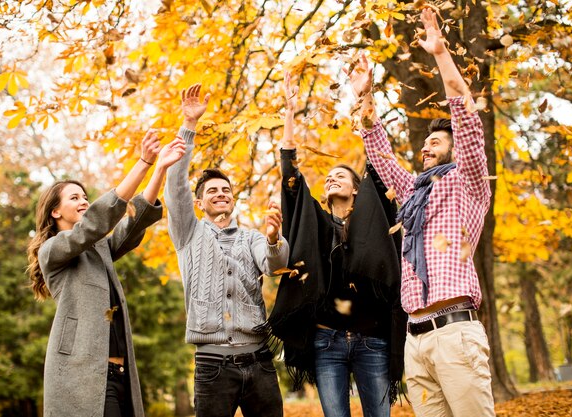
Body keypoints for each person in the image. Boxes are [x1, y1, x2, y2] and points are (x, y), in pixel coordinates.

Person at [351, 8, 495, 417]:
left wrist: (440, 53)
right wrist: (365, 96)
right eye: (425, 142)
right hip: (415, 341)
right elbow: (379, 154)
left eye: (436, 141)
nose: (426, 147)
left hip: (455, 335)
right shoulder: (414, 193)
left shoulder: (469, 181)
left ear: (453, 147)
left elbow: (465, 116)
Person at [265, 71, 406, 417]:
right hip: (326, 341)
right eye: (328, 177)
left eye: (340, 175)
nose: (331, 178)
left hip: (373, 339)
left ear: (357, 188)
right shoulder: (318, 224)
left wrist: (365, 98)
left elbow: (379, 162)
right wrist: (289, 109)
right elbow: (290, 177)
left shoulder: (375, 217)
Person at [27, 130, 186, 417]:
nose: (84, 201)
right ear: (55, 212)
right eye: (74, 198)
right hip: (82, 378)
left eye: (85, 196)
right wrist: (143, 163)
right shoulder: (51, 251)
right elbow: (94, 224)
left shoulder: (98, 249)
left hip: (119, 374)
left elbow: (132, 225)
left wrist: (160, 168)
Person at [164, 83, 290, 417]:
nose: (221, 194)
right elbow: (175, 188)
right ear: (199, 202)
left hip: (260, 363)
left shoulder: (251, 237)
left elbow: (276, 264)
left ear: (233, 199)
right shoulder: (189, 233)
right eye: (213, 190)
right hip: (212, 366)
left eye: (227, 190)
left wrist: (275, 237)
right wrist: (188, 127)